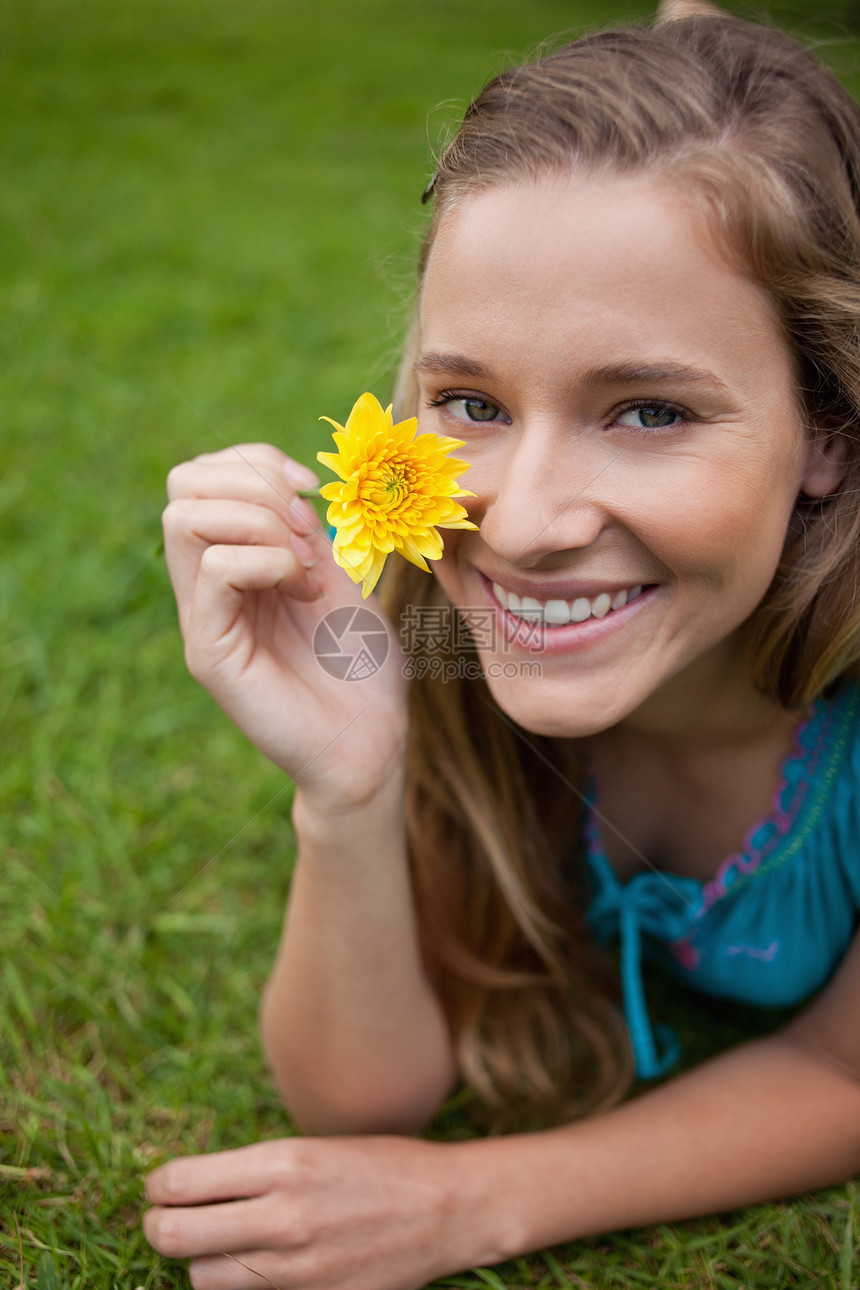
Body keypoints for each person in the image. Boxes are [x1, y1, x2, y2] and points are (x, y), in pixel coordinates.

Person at [144, 0, 860, 1284]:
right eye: (469, 401)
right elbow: (362, 1101)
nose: (521, 527)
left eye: (645, 410)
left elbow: (840, 1068)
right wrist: (347, 793)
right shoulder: (430, 641)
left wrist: (476, 1202)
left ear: (828, 435)